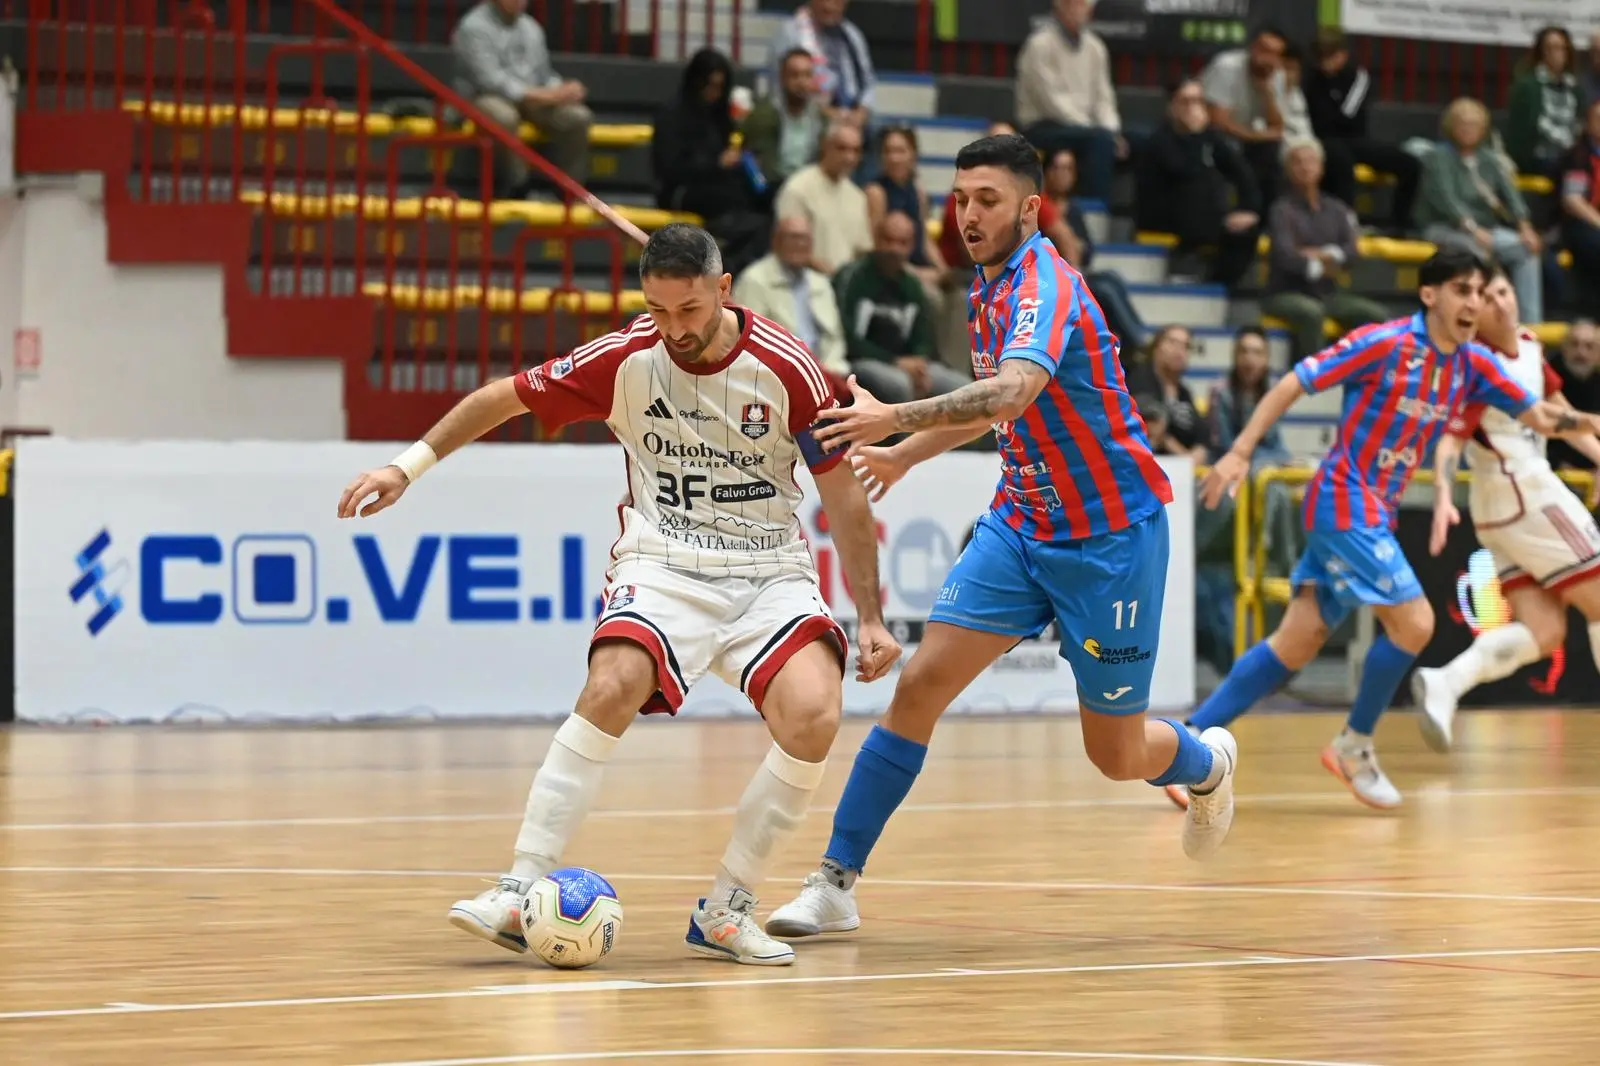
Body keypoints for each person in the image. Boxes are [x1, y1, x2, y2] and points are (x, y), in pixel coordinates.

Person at [336, 223, 902, 966]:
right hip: (664, 561)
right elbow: (501, 398)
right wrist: (404, 469)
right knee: (613, 683)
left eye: (690, 312)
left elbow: (844, 499)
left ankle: (728, 907)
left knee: (816, 713)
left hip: (767, 570)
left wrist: (869, 615)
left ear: (724, 291)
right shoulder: (624, 358)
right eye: (658, 311)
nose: (674, 330)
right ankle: (518, 887)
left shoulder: (788, 368)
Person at [760, 133, 1240, 942]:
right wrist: (908, 455)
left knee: (1116, 756)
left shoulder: (1043, 285)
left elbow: (1012, 392)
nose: (968, 214)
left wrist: (892, 417)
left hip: (1111, 540)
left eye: (986, 200)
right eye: (959, 199)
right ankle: (835, 882)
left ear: (1029, 207)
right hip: (1021, 524)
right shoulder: (985, 285)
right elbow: (992, 406)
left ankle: (1206, 764)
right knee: (919, 688)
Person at [1166, 247, 1600, 812]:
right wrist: (1241, 451)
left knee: (1297, 640)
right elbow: (1295, 382)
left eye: (1480, 292)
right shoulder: (1386, 343)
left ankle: (1187, 747)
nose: (1474, 303)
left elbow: (1543, 417)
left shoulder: (1473, 365)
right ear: (1430, 295)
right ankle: (1355, 745)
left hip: (1374, 511)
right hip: (1344, 501)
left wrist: (1589, 422)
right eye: (1462, 290)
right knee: (1416, 623)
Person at [1412, 265, 1600, 749]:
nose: (1496, 303)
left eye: (1501, 291)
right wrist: (1439, 494)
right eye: (1485, 297)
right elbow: (1452, 441)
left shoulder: (1533, 346)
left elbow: (1560, 415)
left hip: (1503, 514)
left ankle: (1446, 682)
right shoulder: (1477, 366)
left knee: (1544, 630)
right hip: (1526, 492)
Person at [450, 0, 593, 197]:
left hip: (532, 95)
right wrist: (546, 95)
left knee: (578, 116)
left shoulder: (531, 27)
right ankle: (517, 186)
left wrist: (563, 90)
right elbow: (490, 81)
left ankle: (572, 191)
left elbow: (544, 75)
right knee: (503, 116)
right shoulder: (473, 27)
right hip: (483, 96)